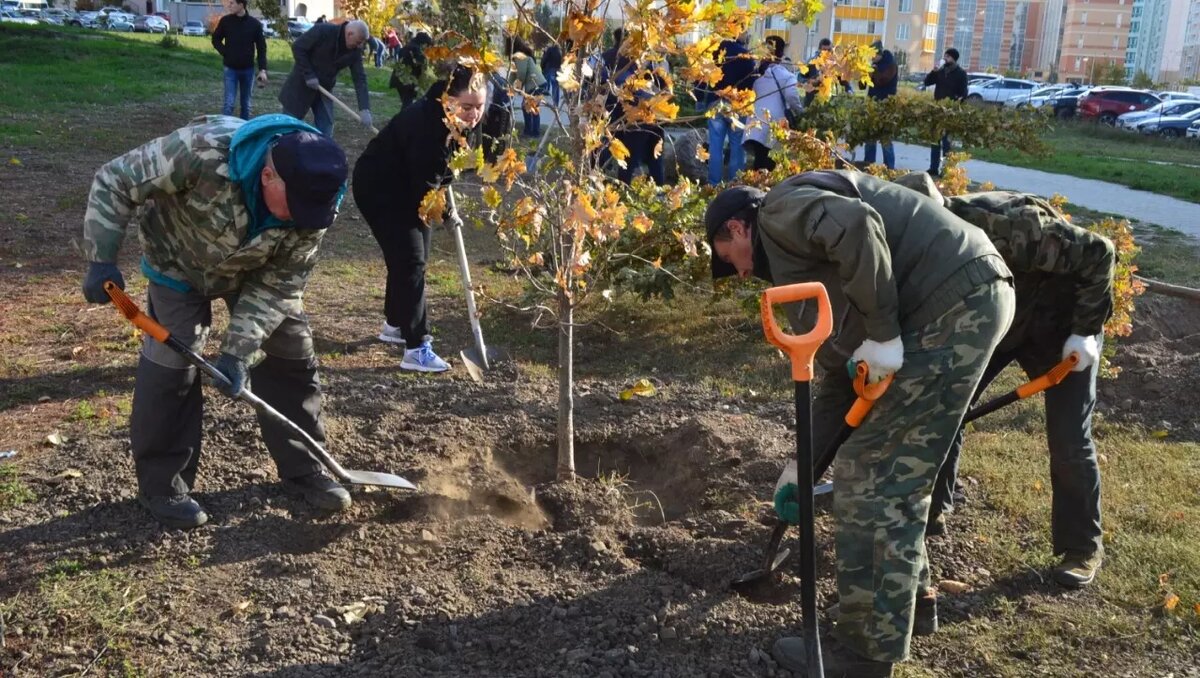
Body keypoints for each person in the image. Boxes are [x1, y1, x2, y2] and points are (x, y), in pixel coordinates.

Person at [704, 170, 1015, 676]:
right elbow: (836, 382)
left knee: (872, 478)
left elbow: (856, 222)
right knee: (898, 473)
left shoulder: (780, 211)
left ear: (739, 229)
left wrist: (885, 332)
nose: (738, 273)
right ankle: (911, 605)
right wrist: (800, 468)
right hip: (964, 298)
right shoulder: (802, 270)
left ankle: (863, 653)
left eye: (726, 257)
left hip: (947, 306)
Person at [79, 114, 351, 529]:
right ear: (268, 176)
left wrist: (238, 352)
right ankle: (163, 486)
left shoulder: (317, 201)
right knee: (174, 361)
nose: (302, 219)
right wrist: (101, 258)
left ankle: (305, 467)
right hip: (178, 264)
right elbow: (116, 179)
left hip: (257, 272)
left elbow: (280, 287)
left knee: (291, 347)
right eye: (295, 208)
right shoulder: (200, 152)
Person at [893, 172, 1111, 589]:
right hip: (996, 323)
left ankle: (1081, 547)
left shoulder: (1010, 227)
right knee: (946, 404)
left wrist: (1084, 332)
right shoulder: (915, 247)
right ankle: (933, 508)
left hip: (1062, 326)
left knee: (1069, 438)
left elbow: (1100, 254)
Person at [352, 67, 487, 372]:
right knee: (410, 260)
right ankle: (416, 347)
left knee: (413, 258)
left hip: (409, 184)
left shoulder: (453, 120)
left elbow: (440, 173)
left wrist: (446, 200)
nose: (474, 115)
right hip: (381, 189)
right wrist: (447, 213)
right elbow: (424, 189)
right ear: (447, 99)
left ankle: (396, 324)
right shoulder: (427, 126)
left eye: (480, 106)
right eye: (467, 107)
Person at [279, 19, 373, 137]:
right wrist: (309, 74)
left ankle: (322, 152)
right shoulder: (323, 31)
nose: (360, 46)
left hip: (324, 90)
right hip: (300, 86)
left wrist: (364, 108)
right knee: (288, 128)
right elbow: (298, 47)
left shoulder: (355, 51)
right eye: (358, 42)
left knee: (326, 129)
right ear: (349, 34)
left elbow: (360, 78)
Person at [744, 35, 801, 172]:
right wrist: (801, 112)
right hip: (775, 123)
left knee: (759, 160)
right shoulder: (786, 75)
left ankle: (756, 189)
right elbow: (792, 96)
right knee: (771, 163)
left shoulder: (755, 74)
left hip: (755, 123)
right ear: (781, 54)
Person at [707, 31, 756, 186]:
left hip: (715, 102)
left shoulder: (713, 50)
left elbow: (704, 76)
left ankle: (714, 184)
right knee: (737, 145)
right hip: (737, 104)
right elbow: (752, 81)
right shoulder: (745, 55)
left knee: (715, 146)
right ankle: (736, 184)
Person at [611, 54, 667, 185]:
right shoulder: (644, 70)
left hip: (638, 120)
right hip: (651, 116)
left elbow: (618, 103)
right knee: (653, 156)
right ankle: (658, 187)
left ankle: (624, 188)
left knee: (630, 158)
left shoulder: (624, 74)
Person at [211, 0, 268, 120]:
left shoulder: (255, 24)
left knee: (246, 105)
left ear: (241, 5)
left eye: (232, 3)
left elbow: (262, 48)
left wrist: (263, 70)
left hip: (248, 70)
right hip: (230, 69)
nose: (229, 5)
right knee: (229, 104)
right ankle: (225, 132)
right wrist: (226, 52)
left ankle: (244, 134)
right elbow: (215, 39)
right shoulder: (225, 21)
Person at [923, 48, 969, 176]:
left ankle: (946, 169)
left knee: (947, 143)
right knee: (935, 140)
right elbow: (927, 82)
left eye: (947, 57)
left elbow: (964, 93)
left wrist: (956, 101)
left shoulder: (960, 73)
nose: (945, 59)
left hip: (950, 112)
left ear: (953, 58)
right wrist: (934, 71)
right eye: (944, 57)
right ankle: (933, 168)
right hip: (937, 110)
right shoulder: (941, 71)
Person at [863, 40, 898, 169]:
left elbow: (882, 80)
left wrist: (874, 71)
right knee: (870, 138)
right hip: (872, 104)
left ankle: (889, 168)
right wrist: (864, 74)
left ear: (879, 53)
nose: (872, 57)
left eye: (873, 54)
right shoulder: (874, 65)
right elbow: (863, 85)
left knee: (886, 139)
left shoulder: (891, 65)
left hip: (886, 105)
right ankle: (869, 165)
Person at [507, 36, 545, 138]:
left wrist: (517, 88)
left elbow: (522, 74)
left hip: (535, 84)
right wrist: (508, 85)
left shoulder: (519, 56)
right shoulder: (520, 56)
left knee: (530, 108)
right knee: (528, 107)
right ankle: (531, 131)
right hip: (537, 83)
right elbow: (514, 74)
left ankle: (532, 132)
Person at [391, 32, 433, 108]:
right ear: (423, 43)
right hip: (408, 80)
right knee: (407, 104)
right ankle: (403, 119)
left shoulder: (407, 47)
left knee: (406, 103)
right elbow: (420, 65)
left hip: (399, 78)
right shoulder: (416, 50)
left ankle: (403, 118)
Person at [541, 40, 563, 108]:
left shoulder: (550, 50)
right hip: (558, 69)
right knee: (556, 86)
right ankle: (556, 102)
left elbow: (545, 58)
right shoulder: (560, 51)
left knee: (553, 85)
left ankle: (554, 103)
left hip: (551, 68)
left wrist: (542, 65)